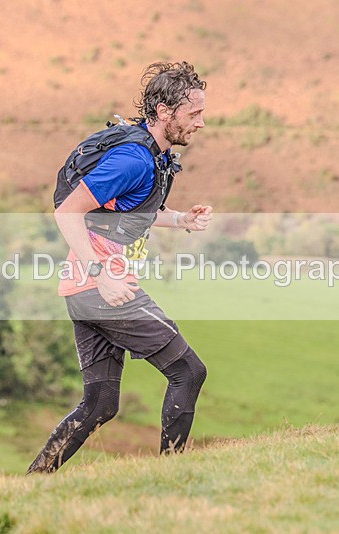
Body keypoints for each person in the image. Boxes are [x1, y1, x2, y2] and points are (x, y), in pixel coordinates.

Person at [26, 61, 213, 474]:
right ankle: (171, 477)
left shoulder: (155, 156)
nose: (201, 123)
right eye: (194, 113)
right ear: (165, 112)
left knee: (99, 404)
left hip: (83, 290)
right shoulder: (133, 158)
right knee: (188, 371)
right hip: (101, 286)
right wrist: (102, 277)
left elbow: (130, 210)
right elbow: (67, 211)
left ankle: (33, 482)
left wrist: (180, 219)